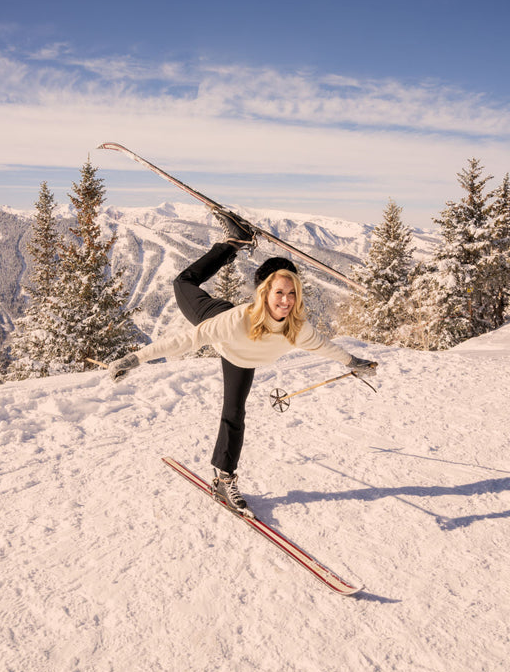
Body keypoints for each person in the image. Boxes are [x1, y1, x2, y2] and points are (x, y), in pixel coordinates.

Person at [109, 212, 377, 515]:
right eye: (279, 293)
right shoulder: (236, 321)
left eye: (291, 294)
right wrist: (135, 359)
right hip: (216, 319)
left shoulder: (297, 329)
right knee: (183, 281)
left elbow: (326, 348)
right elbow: (183, 341)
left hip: (240, 358)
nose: (286, 300)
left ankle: (223, 479)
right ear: (266, 294)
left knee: (234, 413)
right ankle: (233, 243)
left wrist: (354, 361)